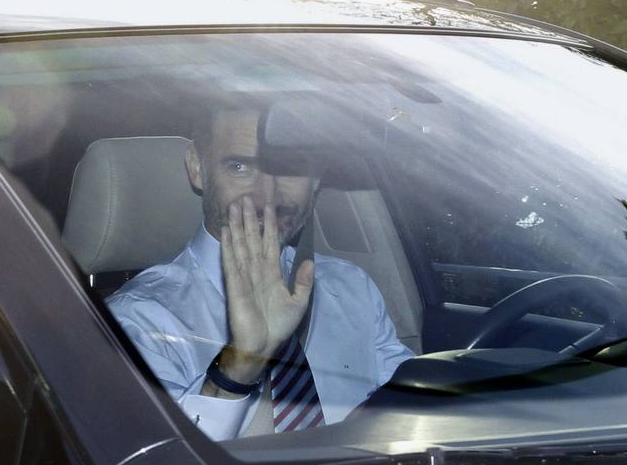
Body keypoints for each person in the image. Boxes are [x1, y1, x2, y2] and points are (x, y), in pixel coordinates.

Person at [107, 108, 411, 441]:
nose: (268, 198)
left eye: (291, 167)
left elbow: (414, 411)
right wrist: (239, 365)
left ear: (317, 177)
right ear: (197, 168)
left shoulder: (352, 287)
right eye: (240, 167)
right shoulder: (137, 321)